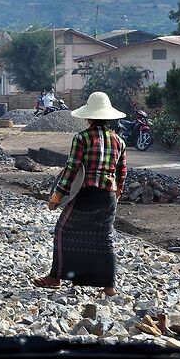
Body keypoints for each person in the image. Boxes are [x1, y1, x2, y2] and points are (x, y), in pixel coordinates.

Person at [33, 92, 127, 297]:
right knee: (105, 237)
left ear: (89, 117)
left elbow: (71, 169)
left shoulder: (81, 138)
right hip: (107, 195)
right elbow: (122, 171)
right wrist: (117, 192)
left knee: (62, 230)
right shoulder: (119, 140)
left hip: (86, 194)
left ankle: (55, 277)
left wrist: (57, 196)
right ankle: (109, 286)